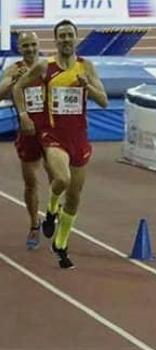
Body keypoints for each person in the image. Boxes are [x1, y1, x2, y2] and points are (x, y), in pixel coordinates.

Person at [13, 19, 108, 269]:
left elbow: (105, 101)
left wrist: (88, 87)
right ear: (56, 40)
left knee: (75, 198)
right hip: (53, 135)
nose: (66, 39)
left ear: (76, 38)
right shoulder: (46, 66)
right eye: (62, 36)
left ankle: (61, 243)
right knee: (62, 180)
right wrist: (23, 114)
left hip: (79, 137)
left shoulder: (86, 66)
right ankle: (52, 207)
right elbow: (18, 87)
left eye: (70, 35)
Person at [0, 31, 50, 250]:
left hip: (50, 130)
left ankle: (53, 212)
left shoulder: (48, 66)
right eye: (25, 45)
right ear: (20, 48)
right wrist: (12, 81)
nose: (30, 49)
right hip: (28, 132)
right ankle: (33, 224)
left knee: (58, 177)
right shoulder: (14, 68)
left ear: (39, 45)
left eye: (33, 44)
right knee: (30, 182)